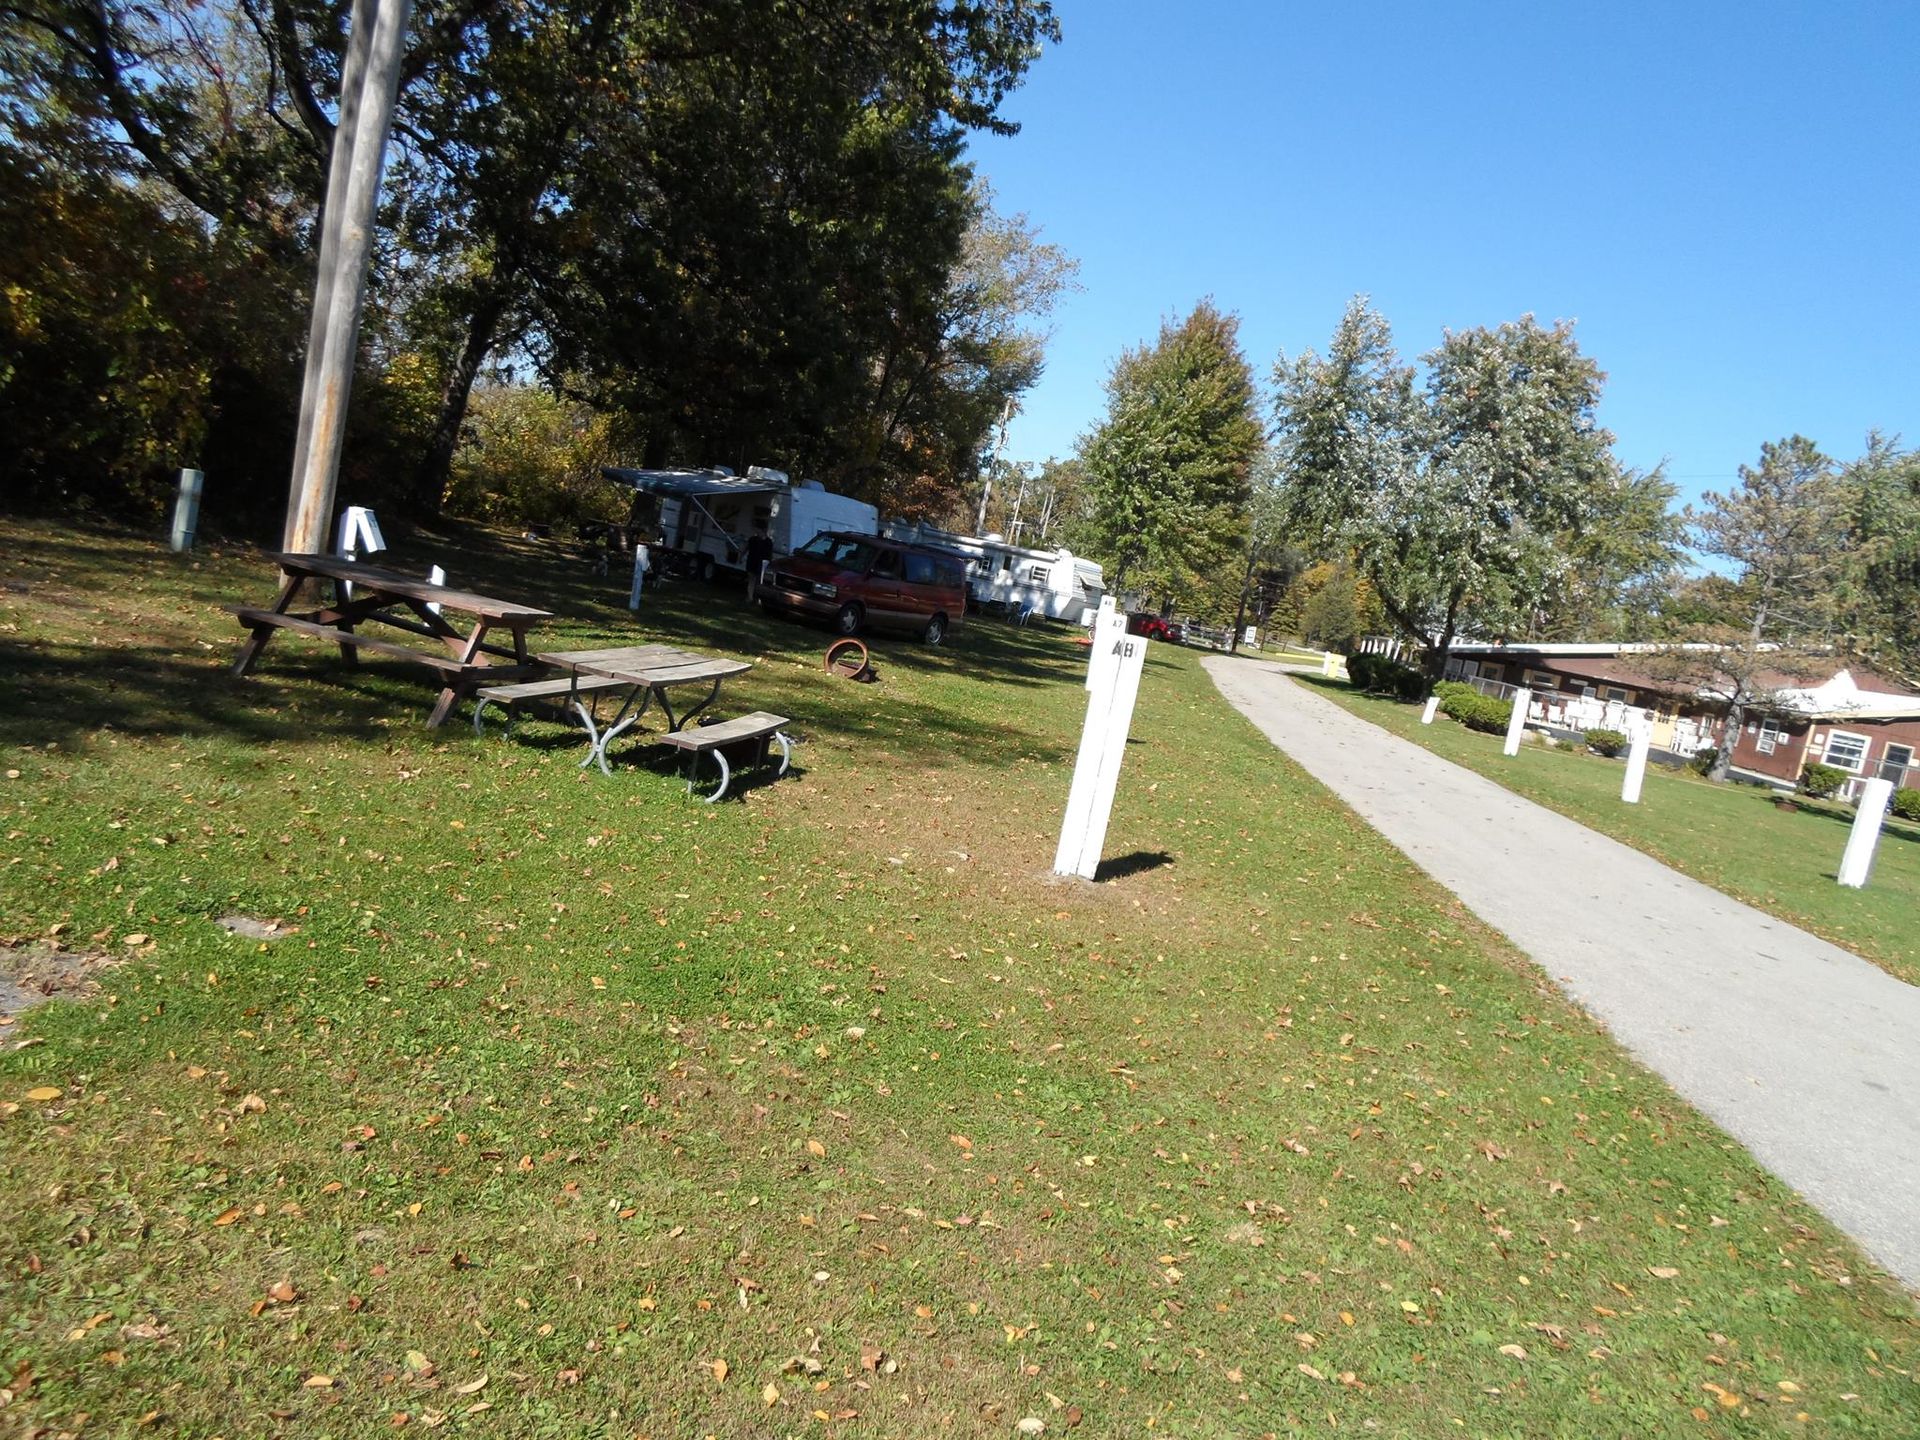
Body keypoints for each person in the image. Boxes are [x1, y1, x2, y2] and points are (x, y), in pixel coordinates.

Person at [745, 522, 774, 602]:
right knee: (752, 579)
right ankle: (750, 597)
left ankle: (757, 598)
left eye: (757, 528)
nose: (755, 530)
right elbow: (746, 548)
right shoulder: (752, 539)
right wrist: (741, 556)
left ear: (761, 530)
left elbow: (770, 554)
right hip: (752, 561)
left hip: (761, 563)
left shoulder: (768, 541)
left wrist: (770, 563)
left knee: (759, 580)